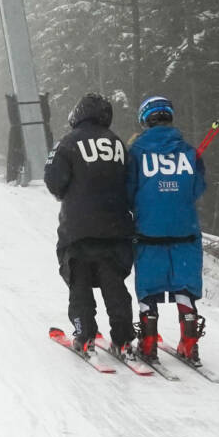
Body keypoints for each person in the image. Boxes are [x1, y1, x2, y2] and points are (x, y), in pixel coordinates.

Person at [44, 93, 137, 358]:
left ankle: (84, 335)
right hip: (115, 228)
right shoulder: (117, 143)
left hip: (78, 229)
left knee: (79, 284)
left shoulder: (68, 142)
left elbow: (53, 178)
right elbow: (131, 183)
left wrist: (67, 193)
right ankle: (123, 338)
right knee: (114, 286)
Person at [126, 95, 208, 365]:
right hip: (185, 230)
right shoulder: (190, 152)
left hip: (148, 231)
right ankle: (189, 342)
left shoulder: (136, 152)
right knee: (184, 284)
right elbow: (198, 189)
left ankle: (148, 343)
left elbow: (128, 190)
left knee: (149, 286)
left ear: (144, 120)